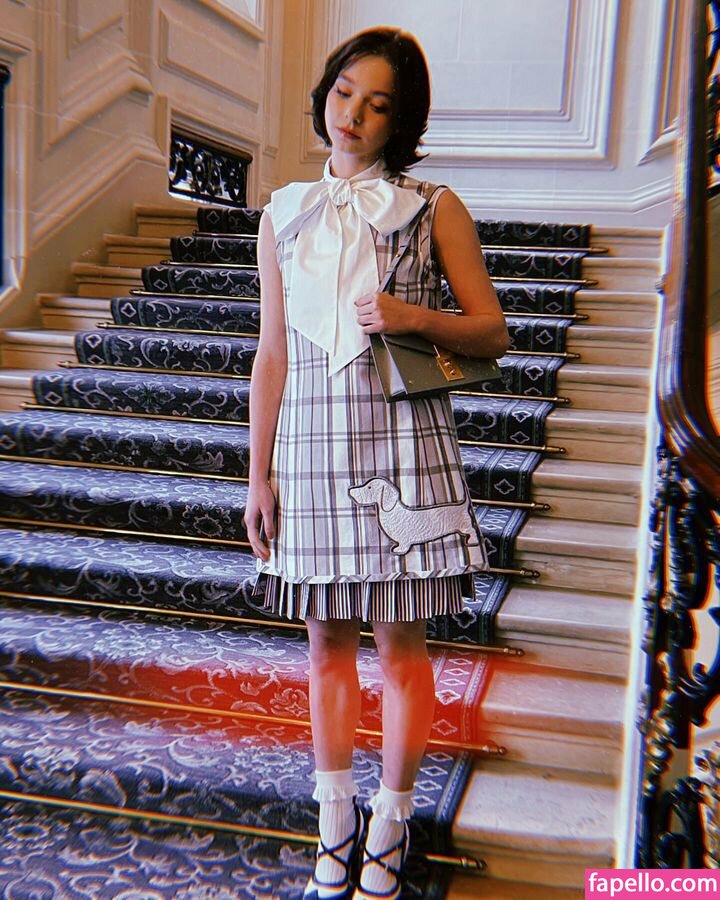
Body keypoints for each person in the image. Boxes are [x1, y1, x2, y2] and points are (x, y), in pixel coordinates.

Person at [244, 26, 509, 900]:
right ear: (325, 93)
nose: (353, 114)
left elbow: (492, 332)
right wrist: (257, 475)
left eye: (378, 104)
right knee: (325, 644)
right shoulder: (281, 212)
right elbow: (272, 354)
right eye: (344, 93)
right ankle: (334, 829)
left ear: (402, 121)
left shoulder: (433, 207)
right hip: (309, 451)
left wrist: (412, 316)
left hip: (402, 448)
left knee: (400, 646)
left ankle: (390, 828)